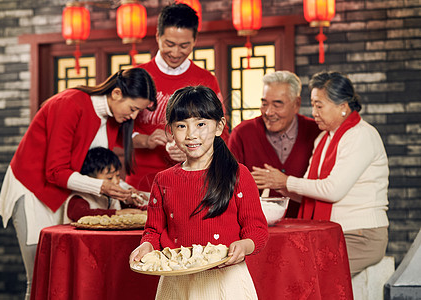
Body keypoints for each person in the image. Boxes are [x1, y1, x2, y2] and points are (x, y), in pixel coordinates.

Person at [0, 68, 156, 299]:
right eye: (133, 109)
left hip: (63, 192)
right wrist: (104, 188)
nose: (133, 117)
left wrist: (126, 191)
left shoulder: (110, 119)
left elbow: (92, 172)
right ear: (117, 93)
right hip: (32, 189)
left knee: (56, 274)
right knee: (38, 276)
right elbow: (55, 171)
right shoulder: (70, 103)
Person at [129, 86, 268, 299]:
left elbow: (256, 229)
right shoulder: (163, 180)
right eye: (181, 126)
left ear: (219, 126)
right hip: (176, 281)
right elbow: (153, 231)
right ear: (171, 131)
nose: (191, 134)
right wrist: (146, 245)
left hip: (226, 281)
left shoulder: (238, 174)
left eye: (201, 124)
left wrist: (244, 245)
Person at [252, 71, 389, 276]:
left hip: (360, 236)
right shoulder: (324, 139)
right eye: (313, 104)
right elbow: (310, 191)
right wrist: (279, 184)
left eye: (319, 105)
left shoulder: (361, 135)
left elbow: (332, 190)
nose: (314, 112)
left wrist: (286, 181)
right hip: (334, 232)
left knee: (306, 275)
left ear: (342, 107)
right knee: (285, 267)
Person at [126, 2, 229, 192]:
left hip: (192, 184)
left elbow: (222, 132)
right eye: (169, 44)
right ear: (158, 37)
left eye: (184, 46)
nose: (175, 53)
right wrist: (144, 140)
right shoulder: (136, 76)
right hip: (140, 186)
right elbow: (113, 135)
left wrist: (195, 149)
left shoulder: (206, 80)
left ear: (195, 40)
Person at [228, 71, 320, 217]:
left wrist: (283, 183)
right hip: (255, 229)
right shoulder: (242, 133)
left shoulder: (316, 132)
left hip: (307, 227)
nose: (269, 112)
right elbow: (226, 186)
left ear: (296, 104)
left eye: (277, 105)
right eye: (264, 104)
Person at [63, 147, 146, 223]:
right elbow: (83, 214)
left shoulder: (111, 197)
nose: (116, 181)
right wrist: (117, 213)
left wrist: (135, 205)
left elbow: (128, 210)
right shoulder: (78, 198)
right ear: (90, 178)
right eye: (109, 178)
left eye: (117, 176)